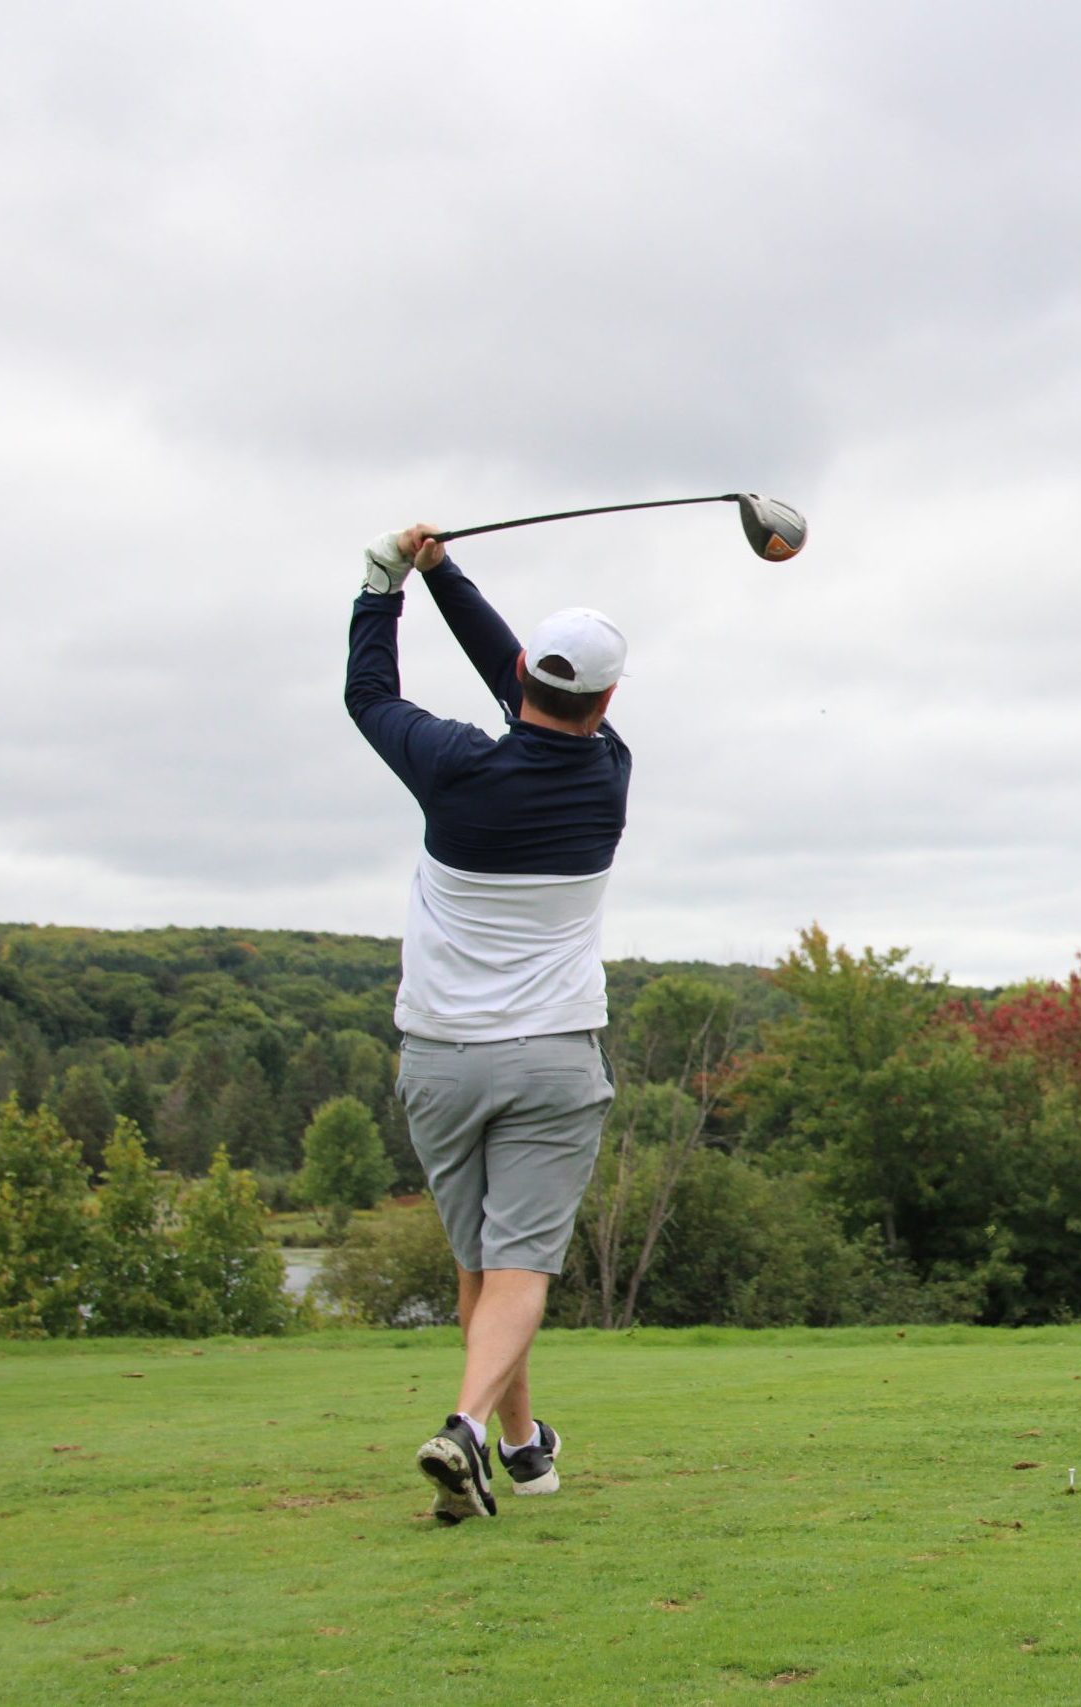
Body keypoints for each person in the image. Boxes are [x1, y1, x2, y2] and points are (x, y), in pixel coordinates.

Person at [345, 524, 630, 1524]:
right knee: (514, 1273)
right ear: (606, 700)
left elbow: (369, 698)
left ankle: (520, 1449)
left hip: (439, 1062)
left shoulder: (454, 771)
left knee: (480, 1271)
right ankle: (468, 1429)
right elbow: (528, 689)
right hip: (551, 1061)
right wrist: (438, 578)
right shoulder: (608, 774)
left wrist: (393, 583)